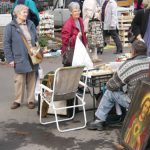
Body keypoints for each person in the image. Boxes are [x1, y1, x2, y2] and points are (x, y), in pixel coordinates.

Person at [86, 40, 150, 130]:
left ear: (133, 51)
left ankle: (99, 121)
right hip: (147, 99)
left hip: (135, 103)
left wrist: (117, 75)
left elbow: (111, 86)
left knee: (109, 92)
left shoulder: (128, 65)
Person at [3, 4, 38, 109]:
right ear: (17, 14)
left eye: (26, 12)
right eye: (24, 12)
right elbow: (6, 44)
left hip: (32, 55)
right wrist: (10, 59)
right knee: (19, 80)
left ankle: (31, 100)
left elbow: (35, 38)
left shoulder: (30, 24)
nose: (26, 14)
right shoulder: (10, 27)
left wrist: (38, 49)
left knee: (32, 78)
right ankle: (17, 100)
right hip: (19, 56)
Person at [61, 2, 87, 66]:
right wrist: (77, 36)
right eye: (75, 11)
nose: (77, 12)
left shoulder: (81, 20)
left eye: (78, 10)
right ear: (70, 12)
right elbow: (65, 41)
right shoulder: (68, 24)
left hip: (80, 50)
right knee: (71, 72)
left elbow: (83, 35)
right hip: (71, 53)